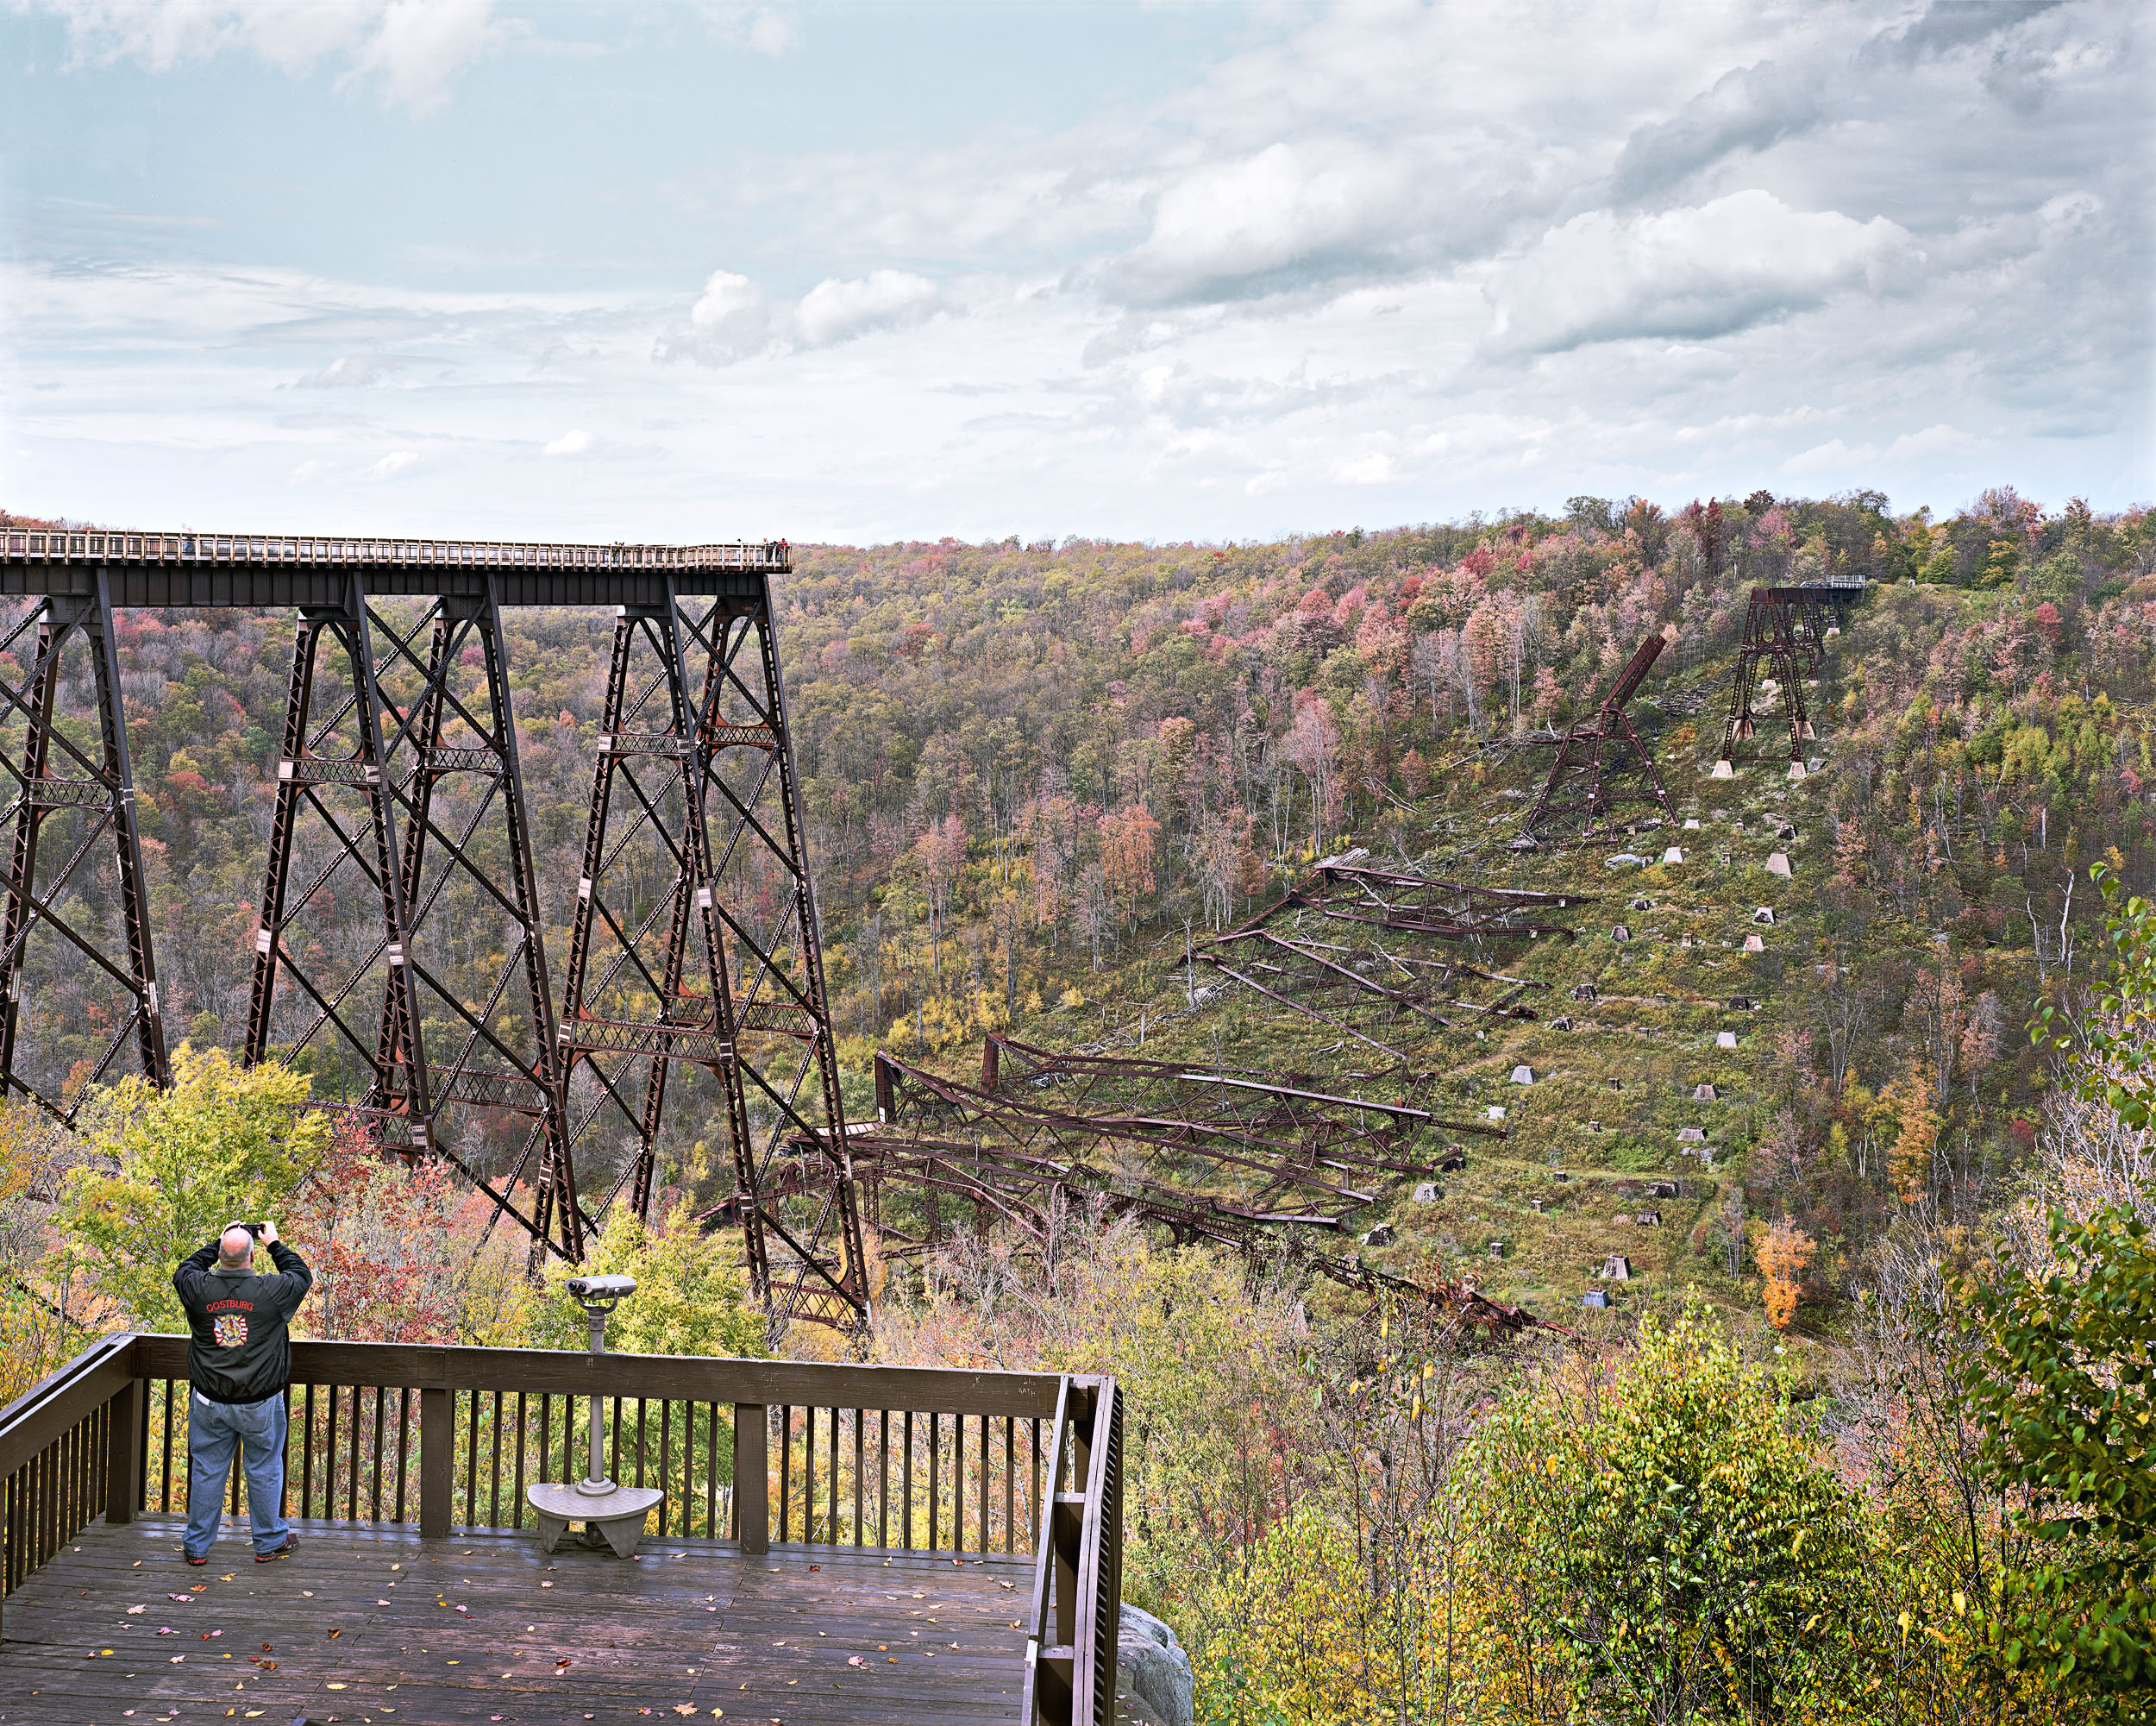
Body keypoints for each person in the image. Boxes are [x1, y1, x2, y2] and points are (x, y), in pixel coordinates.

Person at [172, 1220, 312, 1566]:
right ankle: (268, 1542)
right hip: (259, 1403)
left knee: (207, 1470)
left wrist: (218, 1240)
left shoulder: (199, 1288)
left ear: (219, 1255)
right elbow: (301, 1274)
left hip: (209, 1401)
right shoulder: (271, 1291)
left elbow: (185, 1269)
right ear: (253, 1256)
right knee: (264, 1469)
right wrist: (274, 1243)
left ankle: (197, 1547)